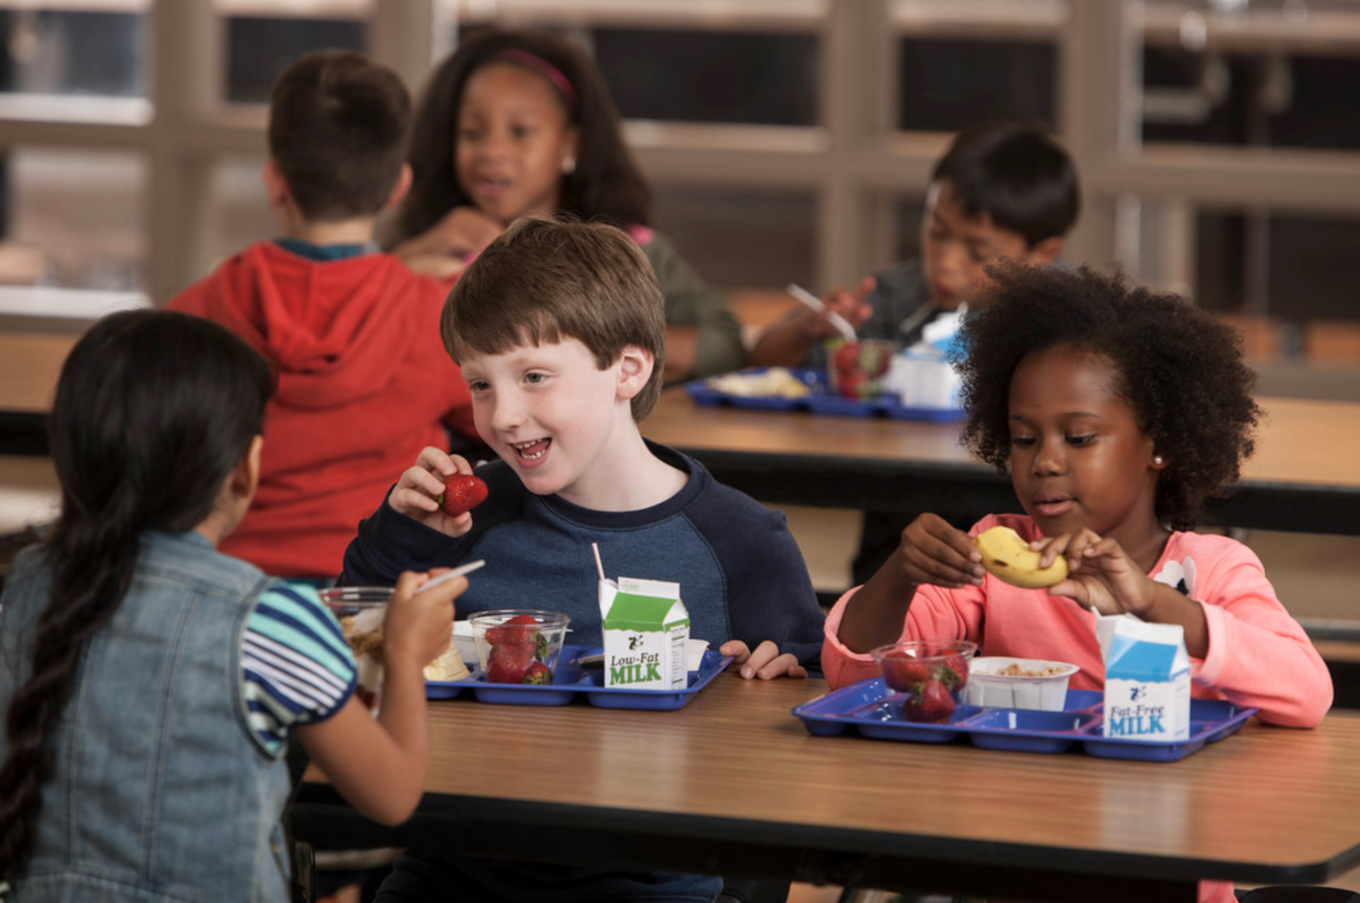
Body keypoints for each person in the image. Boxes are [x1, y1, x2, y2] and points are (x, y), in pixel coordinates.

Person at [343, 217, 826, 903]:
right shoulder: (462, 520)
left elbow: (806, 729)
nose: (504, 414)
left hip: (654, 886)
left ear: (627, 369)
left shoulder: (742, 541)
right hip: (455, 871)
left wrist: (786, 678)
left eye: (534, 375)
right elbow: (353, 657)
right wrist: (404, 533)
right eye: (480, 384)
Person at [821, 265, 1332, 903]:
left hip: (1161, 877)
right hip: (1010, 868)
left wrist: (1152, 603)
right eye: (1024, 439)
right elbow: (857, 673)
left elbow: (1308, 691)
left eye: (1080, 437)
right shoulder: (996, 558)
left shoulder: (1212, 569)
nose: (1046, 461)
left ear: (1160, 445)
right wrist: (900, 573)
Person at [0, 310, 466, 902]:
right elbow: (392, 796)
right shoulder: (271, 618)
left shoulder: (22, 589)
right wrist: (403, 650)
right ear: (245, 468)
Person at [167, 48, 479, 582]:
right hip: (379, 598)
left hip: (228, 597)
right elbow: (503, 418)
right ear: (398, 187)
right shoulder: (438, 316)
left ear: (274, 181)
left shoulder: (191, 317)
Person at [751, 119, 1081, 586]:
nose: (946, 261)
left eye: (977, 251)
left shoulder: (1075, 318)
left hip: (1031, 538)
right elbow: (763, 365)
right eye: (937, 232)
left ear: (1041, 254)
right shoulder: (895, 298)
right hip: (900, 540)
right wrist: (808, 331)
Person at [384, 27, 746, 383]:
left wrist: (581, 334)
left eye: (521, 130)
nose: (492, 151)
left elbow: (723, 344)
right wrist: (401, 265)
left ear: (572, 144)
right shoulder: (429, 249)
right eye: (473, 133)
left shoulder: (633, 251)